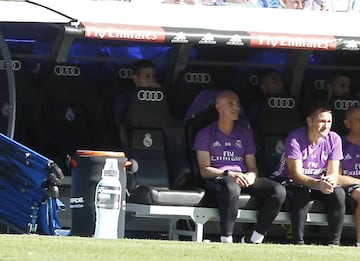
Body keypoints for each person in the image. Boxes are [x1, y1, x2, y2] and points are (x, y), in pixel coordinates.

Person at [193, 90, 286, 243]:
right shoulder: (205, 133)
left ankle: (255, 238)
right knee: (231, 187)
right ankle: (226, 238)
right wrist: (229, 174)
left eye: (237, 103)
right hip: (219, 180)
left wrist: (251, 175)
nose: (236, 106)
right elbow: (205, 170)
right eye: (230, 103)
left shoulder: (245, 133)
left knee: (278, 191)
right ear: (219, 108)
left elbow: (252, 167)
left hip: (242, 177)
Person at [272, 101, 346, 245]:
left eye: (329, 121)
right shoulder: (295, 138)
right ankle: (298, 242)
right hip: (289, 181)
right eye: (322, 121)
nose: (326, 126)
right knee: (302, 193)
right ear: (310, 121)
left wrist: (328, 182)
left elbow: (333, 173)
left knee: (338, 193)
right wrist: (319, 184)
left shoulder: (334, 138)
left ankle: (334, 243)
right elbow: (296, 174)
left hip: (318, 182)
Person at [113, 59, 161, 126]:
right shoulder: (125, 98)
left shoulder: (160, 96)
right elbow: (124, 120)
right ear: (135, 79)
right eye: (147, 76)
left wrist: (158, 96)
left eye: (154, 76)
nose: (152, 80)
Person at [338, 106, 360, 247]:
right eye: (359, 120)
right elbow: (336, 177)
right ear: (347, 123)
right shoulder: (339, 143)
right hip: (347, 187)